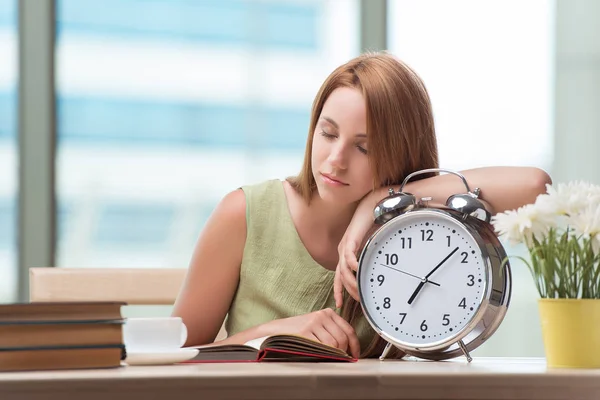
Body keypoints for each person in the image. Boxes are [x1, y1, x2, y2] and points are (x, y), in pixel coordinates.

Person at [172, 51, 552, 359]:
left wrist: (378, 200)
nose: (336, 159)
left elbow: (535, 186)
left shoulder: (405, 227)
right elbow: (174, 358)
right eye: (328, 133)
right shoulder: (244, 214)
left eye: (363, 147)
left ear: (401, 153)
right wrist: (270, 334)